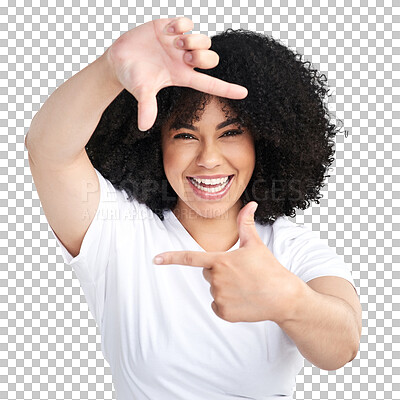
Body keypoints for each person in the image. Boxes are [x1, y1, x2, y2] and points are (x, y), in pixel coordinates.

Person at [25, 16, 362, 400]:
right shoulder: (118, 233)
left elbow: (343, 345)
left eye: (230, 132)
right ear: (157, 145)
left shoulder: (292, 248)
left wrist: (287, 298)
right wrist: (109, 71)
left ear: (263, 142)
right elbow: (49, 152)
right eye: (186, 135)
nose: (209, 159)